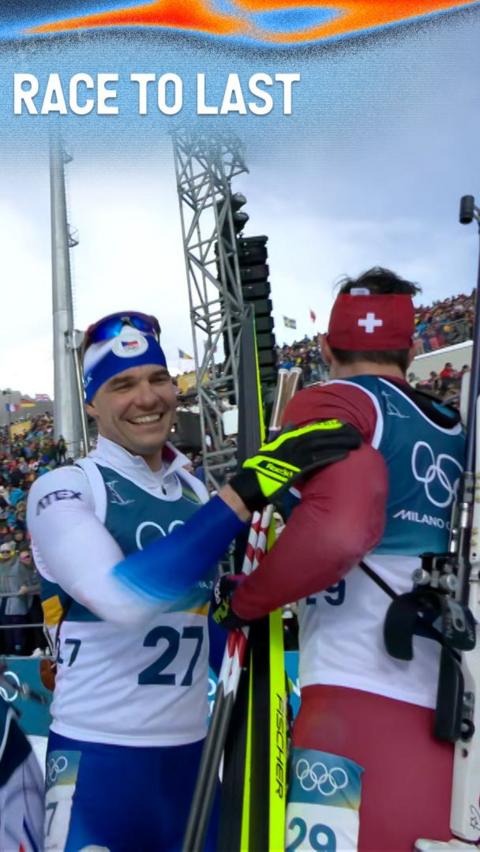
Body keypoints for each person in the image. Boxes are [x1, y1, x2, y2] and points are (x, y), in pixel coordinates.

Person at [26, 310, 357, 851]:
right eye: (122, 385)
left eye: (158, 378)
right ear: (91, 402)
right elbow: (121, 597)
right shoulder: (65, 487)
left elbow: (203, 631)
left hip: (189, 762)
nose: (147, 397)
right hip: (96, 764)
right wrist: (244, 494)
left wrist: (260, 641)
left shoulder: (194, 494)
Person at [211, 268, 466, 850]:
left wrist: (246, 600)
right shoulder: (456, 425)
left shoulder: (334, 400)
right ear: (411, 346)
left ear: (326, 347)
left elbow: (340, 533)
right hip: (452, 710)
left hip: (352, 704)